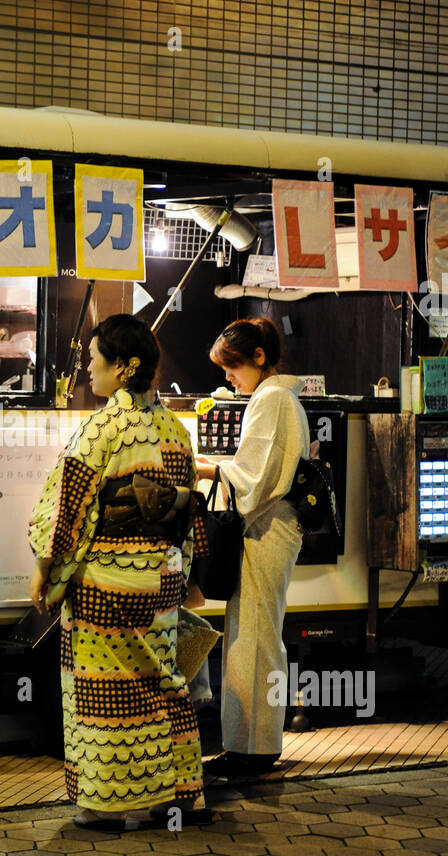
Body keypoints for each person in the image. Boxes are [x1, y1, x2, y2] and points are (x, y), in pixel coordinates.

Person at [29, 314, 208, 829]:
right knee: (164, 683)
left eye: (95, 359)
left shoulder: (103, 427)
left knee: (102, 690)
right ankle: (174, 796)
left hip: (107, 581)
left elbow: (70, 508)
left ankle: (106, 805)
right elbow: (185, 512)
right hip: (161, 582)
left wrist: (48, 570)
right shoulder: (175, 429)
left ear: (124, 368)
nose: (88, 368)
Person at [194, 316, 309, 778]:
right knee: (256, 633)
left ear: (259, 359)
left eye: (233, 366)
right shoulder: (278, 398)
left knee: (256, 636)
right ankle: (250, 744)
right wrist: (222, 468)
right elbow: (257, 471)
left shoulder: (272, 401)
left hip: (267, 529)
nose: (228, 376)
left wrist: (208, 471)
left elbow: (255, 480)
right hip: (274, 527)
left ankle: (253, 751)